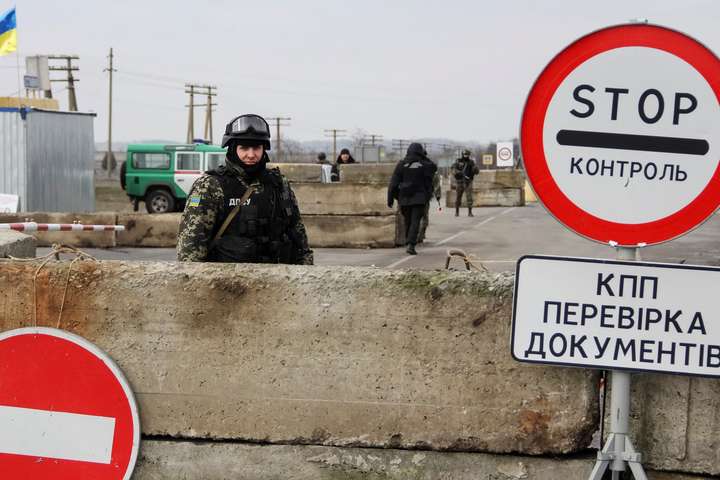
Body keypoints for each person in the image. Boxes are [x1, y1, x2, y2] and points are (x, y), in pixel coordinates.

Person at [177, 113, 313, 264]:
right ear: (232, 149)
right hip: (227, 277)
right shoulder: (209, 186)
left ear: (264, 149)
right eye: (244, 148)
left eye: (256, 148)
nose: (251, 154)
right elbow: (190, 250)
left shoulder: (279, 184)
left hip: (279, 276)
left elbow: (299, 240)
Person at [387, 143, 437, 255]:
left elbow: (393, 183)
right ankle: (411, 244)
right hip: (419, 198)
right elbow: (434, 168)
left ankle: (408, 241)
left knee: (408, 221)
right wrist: (424, 157)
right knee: (415, 221)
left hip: (404, 198)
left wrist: (390, 198)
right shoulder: (425, 164)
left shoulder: (401, 164)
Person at [452, 149, 479, 217]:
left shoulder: (471, 162)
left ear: (469, 155)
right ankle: (457, 211)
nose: (466, 156)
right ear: (462, 154)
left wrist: (475, 169)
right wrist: (458, 172)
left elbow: (476, 172)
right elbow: (453, 169)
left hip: (468, 182)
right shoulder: (458, 161)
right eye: (464, 154)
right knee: (458, 197)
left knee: (469, 197)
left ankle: (470, 212)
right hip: (460, 182)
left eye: (467, 154)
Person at [418, 169, 441, 243]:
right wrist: (437, 196)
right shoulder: (430, 169)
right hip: (424, 197)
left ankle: (418, 235)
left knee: (417, 217)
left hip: (413, 197)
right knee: (424, 216)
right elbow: (436, 185)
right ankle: (421, 235)